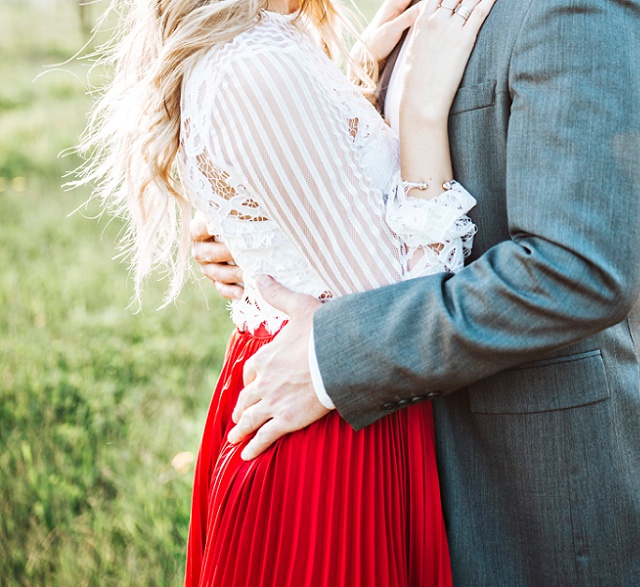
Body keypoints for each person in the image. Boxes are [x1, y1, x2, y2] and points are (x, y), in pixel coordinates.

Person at [195, 0, 640, 585]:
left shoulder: (578, 10)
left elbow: (577, 268)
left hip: (521, 484)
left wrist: (335, 356)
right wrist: (254, 226)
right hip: (385, 467)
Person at [76, 0, 498, 584]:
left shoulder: (265, 40)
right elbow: (398, 309)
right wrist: (421, 111)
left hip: (314, 393)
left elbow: (322, 192)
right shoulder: (255, 66)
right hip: (333, 431)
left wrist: (359, 85)